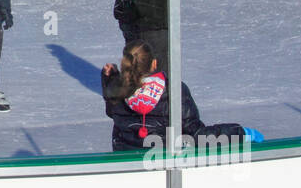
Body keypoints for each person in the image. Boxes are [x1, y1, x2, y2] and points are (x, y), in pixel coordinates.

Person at [102, 40, 259, 152]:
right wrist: (240, 133)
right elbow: (197, 135)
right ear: (154, 63)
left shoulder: (117, 89)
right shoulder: (172, 90)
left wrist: (109, 80)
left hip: (126, 167)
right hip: (162, 168)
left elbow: (113, 112)